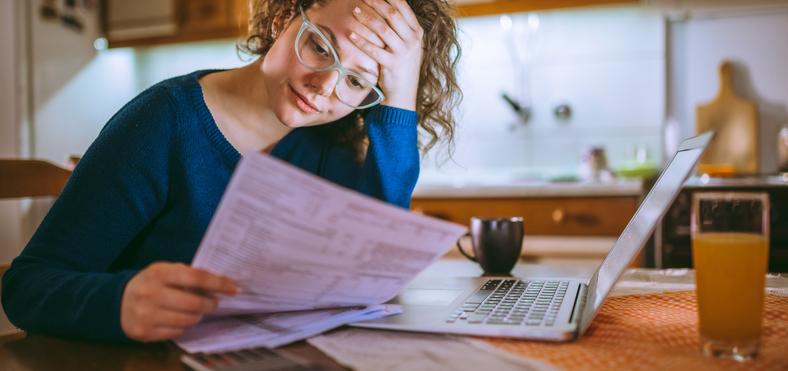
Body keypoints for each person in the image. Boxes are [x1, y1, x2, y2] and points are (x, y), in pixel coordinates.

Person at [1, 0, 460, 342]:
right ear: (283, 18)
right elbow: (27, 286)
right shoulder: (162, 123)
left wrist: (400, 96)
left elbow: (372, 277)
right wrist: (120, 302)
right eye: (320, 46)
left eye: (358, 82)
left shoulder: (331, 145)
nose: (324, 88)